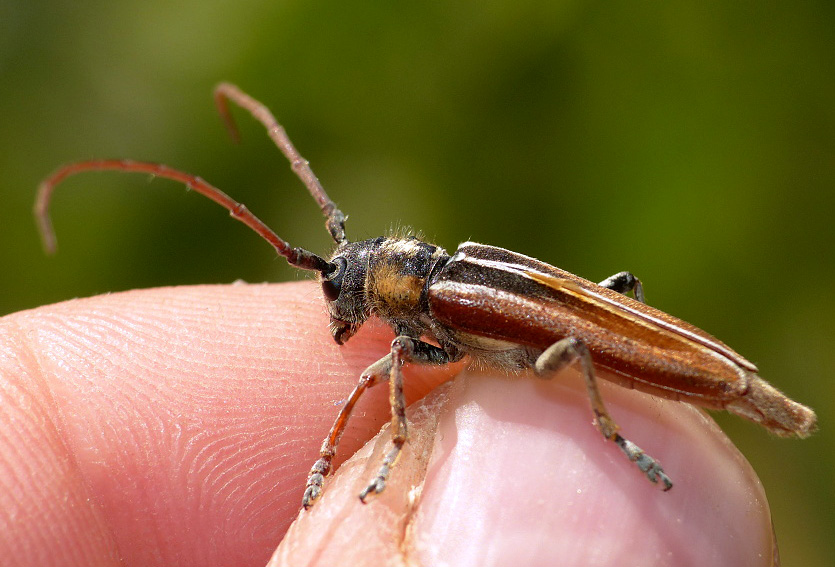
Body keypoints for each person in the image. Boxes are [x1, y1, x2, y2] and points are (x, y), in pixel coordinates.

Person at [0, 282, 776, 566]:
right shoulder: (429, 302)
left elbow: (387, 373)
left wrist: (392, 442)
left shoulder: (441, 313)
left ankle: (614, 438)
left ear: (388, 288)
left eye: (352, 290)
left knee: (565, 344)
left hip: (609, 349)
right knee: (383, 370)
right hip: (625, 347)